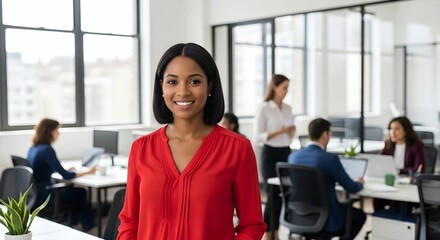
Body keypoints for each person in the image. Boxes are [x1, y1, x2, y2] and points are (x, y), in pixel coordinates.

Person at [117, 43, 266, 239]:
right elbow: (130, 221)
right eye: (172, 82)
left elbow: (252, 225)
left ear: (210, 85)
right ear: (161, 86)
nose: (183, 91)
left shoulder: (237, 149)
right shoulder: (141, 149)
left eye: (194, 81)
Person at [288, 118, 366, 239]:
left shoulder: (293, 157)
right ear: (325, 134)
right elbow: (351, 188)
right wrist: (359, 183)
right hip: (327, 220)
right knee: (360, 216)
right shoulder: (329, 159)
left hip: (299, 216)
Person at [27, 118, 96, 232]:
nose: (58, 133)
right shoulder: (47, 150)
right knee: (80, 192)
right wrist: (87, 172)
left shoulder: (33, 148)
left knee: (73, 192)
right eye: (57, 130)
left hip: (36, 194)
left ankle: (73, 224)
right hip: (46, 195)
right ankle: (88, 227)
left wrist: (64, 170)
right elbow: (66, 176)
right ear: (50, 131)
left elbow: (41, 170)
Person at [254, 74, 296, 240]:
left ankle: (275, 232)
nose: (286, 91)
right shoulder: (264, 108)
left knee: (283, 194)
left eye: (288, 88)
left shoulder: (288, 108)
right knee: (272, 193)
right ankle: (267, 234)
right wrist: (279, 131)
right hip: (270, 153)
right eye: (284, 87)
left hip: (285, 152)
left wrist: (291, 131)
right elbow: (258, 136)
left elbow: (291, 135)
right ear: (275, 87)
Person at [374, 116, 425, 212]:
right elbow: (379, 161)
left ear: (406, 130)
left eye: (397, 129)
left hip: (407, 183)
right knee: (377, 200)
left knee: (396, 202)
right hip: (391, 181)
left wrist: (398, 170)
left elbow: (418, 169)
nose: (392, 132)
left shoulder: (416, 146)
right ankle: (381, 222)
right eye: (391, 129)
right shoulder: (388, 145)